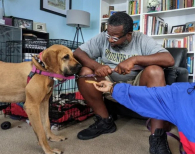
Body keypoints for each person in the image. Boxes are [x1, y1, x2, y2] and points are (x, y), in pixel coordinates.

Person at [73, 12, 175, 154]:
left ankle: (157, 136)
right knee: (84, 71)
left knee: (155, 71)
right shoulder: (104, 38)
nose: (110, 40)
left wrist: (135, 60)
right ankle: (104, 122)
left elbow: (169, 59)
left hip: (136, 85)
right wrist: (96, 66)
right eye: (108, 35)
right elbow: (78, 52)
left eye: (115, 37)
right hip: (109, 85)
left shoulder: (142, 40)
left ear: (128, 34)